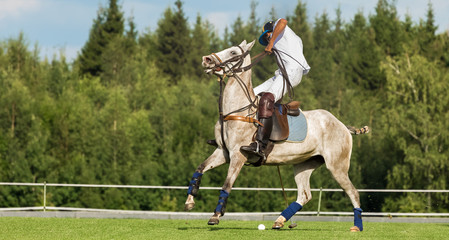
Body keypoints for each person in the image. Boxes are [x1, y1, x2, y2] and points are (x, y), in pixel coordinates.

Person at [240, 18, 310, 158]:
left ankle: (260, 144)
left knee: (267, 98)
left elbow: (283, 21)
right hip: (281, 73)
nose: (267, 39)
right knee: (250, 95)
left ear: (271, 30)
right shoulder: (289, 39)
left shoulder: (282, 29)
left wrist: (271, 42)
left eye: (267, 35)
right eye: (267, 38)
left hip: (292, 71)